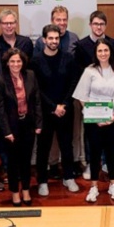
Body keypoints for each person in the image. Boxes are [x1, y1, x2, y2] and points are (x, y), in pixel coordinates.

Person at [72, 39, 114, 202]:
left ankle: (113, 184)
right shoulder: (89, 71)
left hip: (113, 117)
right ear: (95, 53)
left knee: (112, 151)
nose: (103, 53)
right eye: (100, 50)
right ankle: (94, 187)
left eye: (106, 50)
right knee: (94, 152)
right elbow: (82, 97)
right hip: (93, 119)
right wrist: (93, 115)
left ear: (110, 52)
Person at [31, 24, 81, 196]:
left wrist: (63, 105)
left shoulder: (68, 58)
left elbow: (73, 82)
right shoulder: (35, 61)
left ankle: (68, 177)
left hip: (65, 110)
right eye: (50, 38)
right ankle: (42, 181)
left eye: (57, 38)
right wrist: (53, 107)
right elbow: (36, 88)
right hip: (45, 112)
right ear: (44, 40)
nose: (54, 41)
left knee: (66, 145)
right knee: (43, 147)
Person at [73, 10, 114, 180]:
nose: (98, 27)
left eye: (101, 24)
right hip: (91, 97)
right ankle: (90, 164)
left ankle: (108, 163)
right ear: (90, 25)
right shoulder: (81, 45)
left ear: (105, 26)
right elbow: (79, 71)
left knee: (110, 134)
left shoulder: (113, 43)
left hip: (110, 97)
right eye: (95, 24)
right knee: (91, 134)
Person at [0, 49, 42, 206]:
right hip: (11, 127)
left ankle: (26, 190)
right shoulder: (1, 80)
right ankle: (15, 192)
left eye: (18, 61)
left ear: (23, 62)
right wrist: (6, 131)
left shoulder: (31, 75)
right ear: (7, 63)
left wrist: (38, 123)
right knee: (13, 162)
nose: (16, 64)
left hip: (28, 124)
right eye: (12, 61)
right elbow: (0, 109)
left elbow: (36, 101)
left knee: (26, 161)